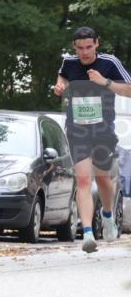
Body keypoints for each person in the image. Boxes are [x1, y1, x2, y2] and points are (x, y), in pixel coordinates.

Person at [53, 27, 131, 252]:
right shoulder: (69, 62)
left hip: (103, 132)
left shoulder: (110, 63)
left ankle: (107, 215)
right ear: (74, 47)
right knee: (84, 180)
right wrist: (60, 87)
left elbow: (129, 89)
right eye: (80, 48)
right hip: (77, 131)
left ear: (97, 43)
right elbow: (63, 77)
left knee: (104, 179)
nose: (84, 52)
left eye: (88, 47)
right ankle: (87, 233)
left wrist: (104, 82)